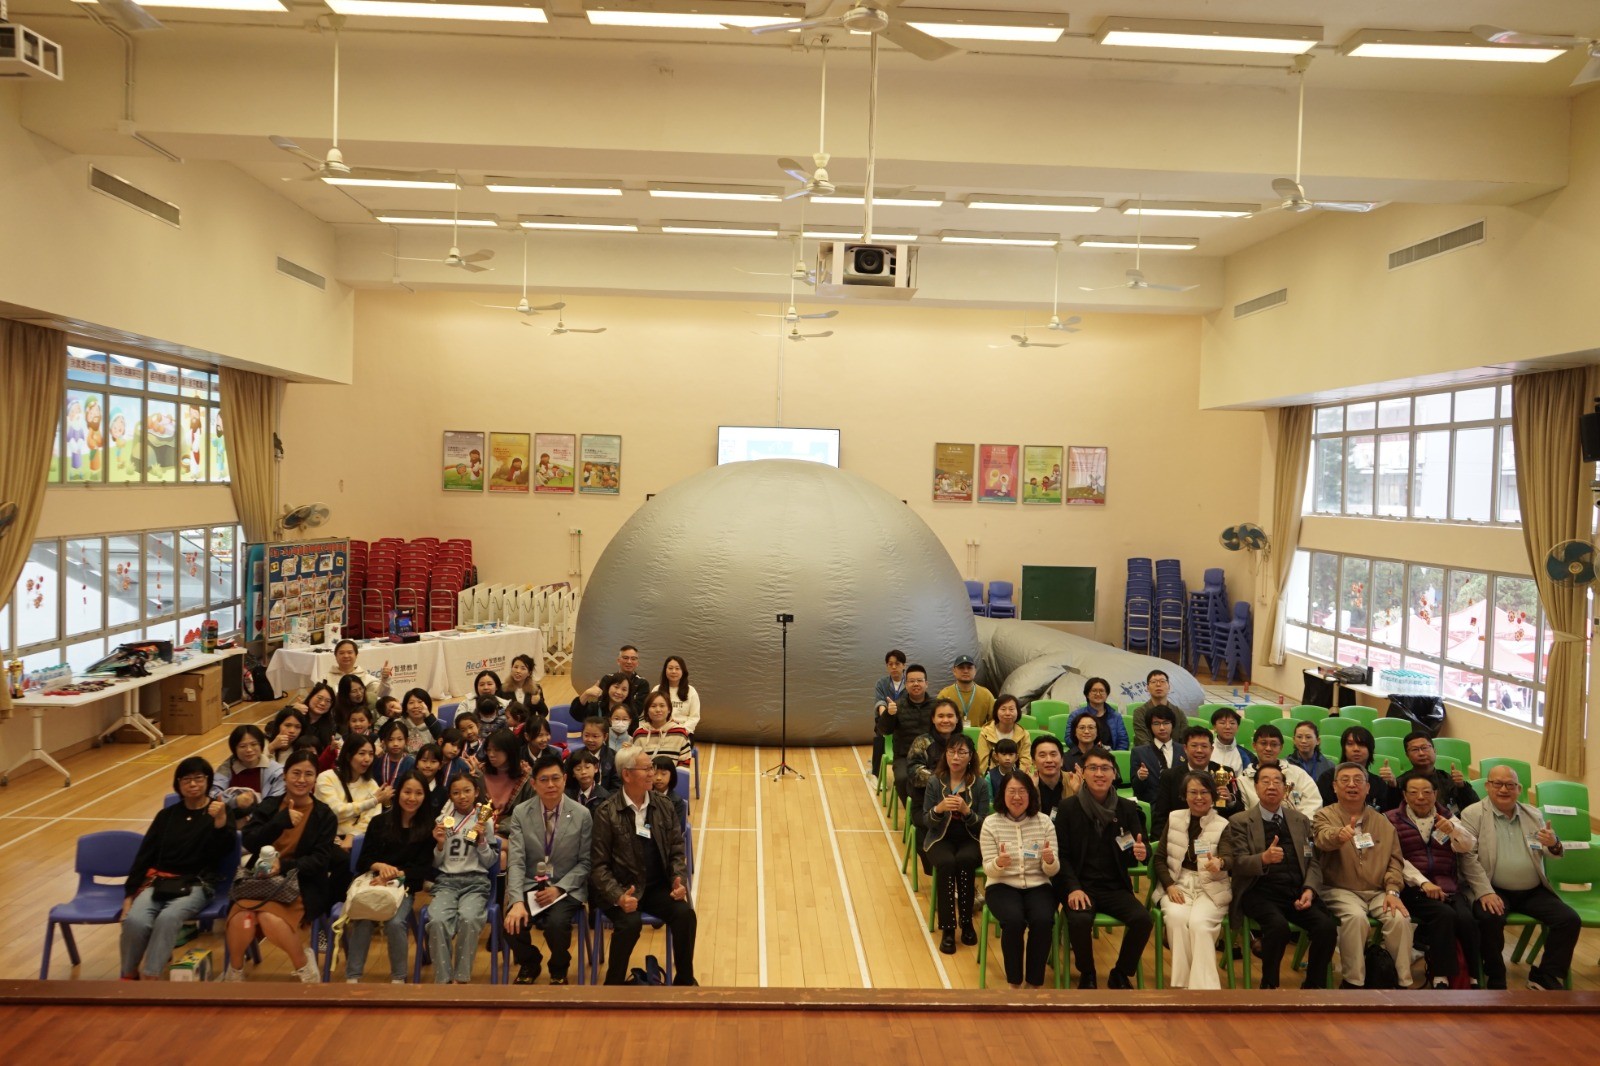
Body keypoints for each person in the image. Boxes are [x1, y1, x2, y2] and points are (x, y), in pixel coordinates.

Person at [221, 749, 340, 983]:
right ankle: (234, 972)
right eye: (296, 773)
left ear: (315, 779)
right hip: (259, 881)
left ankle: (304, 966)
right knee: (242, 919)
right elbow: (249, 840)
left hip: (302, 882)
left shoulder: (324, 815)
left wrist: (283, 866)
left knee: (269, 918)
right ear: (285, 775)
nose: (301, 779)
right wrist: (279, 822)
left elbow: (319, 860)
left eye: (308, 774)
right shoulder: (270, 806)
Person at [1459, 764, 1581, 990]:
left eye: (1510, 785)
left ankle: (1545, 976)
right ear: (1487, 786)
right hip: (1494, 887)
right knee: (1489, 917)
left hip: (1532, 890)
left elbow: (1550, 851)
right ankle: (1496, 975)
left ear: (1519, 789)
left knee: (1569, 919)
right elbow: (1468, 858)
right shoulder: (1472, 814)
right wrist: (1485, 892)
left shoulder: (1533, 814)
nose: (1504, 789)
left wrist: (1553, 843)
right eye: (1497, 784)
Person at [1220, 763, 1338, 989]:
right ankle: (1269, 986)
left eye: (1277, 781)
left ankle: (1314, 987)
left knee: (1326, 928)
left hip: (1296, 892)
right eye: (1265, 781)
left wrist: (1309, 889)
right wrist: (1263, 859)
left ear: (1285, 788)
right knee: (1278, 928)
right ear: (1256, 787)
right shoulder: (1240, 821)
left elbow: (1312, 861)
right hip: (1259, 891)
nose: (1271, 786)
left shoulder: (1300, 820)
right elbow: (1238, 863)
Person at [589, 743, 697, 985]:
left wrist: (678, 880)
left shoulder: (664, 805)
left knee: (685, 915)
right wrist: (618, 897)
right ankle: (613, 987)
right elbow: (598, 867)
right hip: (621, 889)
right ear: (627, 774)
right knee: (630, 924)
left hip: (656, 887)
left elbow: (676, 851)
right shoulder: (606, 812)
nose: (652, 774)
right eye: (646, 769)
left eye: (652, 768)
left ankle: (685, 982)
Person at [120, 756, 235, 980]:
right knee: (135, 919)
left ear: (208, 781)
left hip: (198, 884)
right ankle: (128, 973)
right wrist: (129, 894)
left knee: (168, 917)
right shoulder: (166, 816)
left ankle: (151, 974)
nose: (193, 784)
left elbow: (223, 852)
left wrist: (220, 822)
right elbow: (144, 856)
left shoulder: (219, 811)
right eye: (186, 780)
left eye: (198, 778)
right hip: (159, 882)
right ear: (178, 784)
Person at [1055, 746, 1152, 989]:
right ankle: (1087, 972)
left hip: (1114, 886)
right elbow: (1062, 856)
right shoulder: (1068, 808)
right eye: (1093, 768)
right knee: (1079, 921)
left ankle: (1120, 973)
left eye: (1105, 768)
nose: (1099, 774)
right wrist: (1073, 888)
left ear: (1114, 773)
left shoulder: (1127, 808)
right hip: (1081, 886)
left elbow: (1141, 846)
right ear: (1083, 773)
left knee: (1143, 919)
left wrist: (1142, 852)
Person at [1313, 762, 1413, 988]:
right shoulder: (1323, 816)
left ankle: (1402, 983)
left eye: (1358, 780)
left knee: (1400, 918)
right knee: (1356, 919)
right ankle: (1353, 982)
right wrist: (1339, 835)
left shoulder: (1383, 822)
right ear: (1334, 787)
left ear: (1368, 788)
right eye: (1345, 780)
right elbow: (1322, 839)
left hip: (1378, 891)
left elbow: (1395, 861)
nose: (1352, 785)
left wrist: (1392, 891)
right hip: (1339, 889)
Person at [504, 751, 593, 985]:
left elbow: (585, 862)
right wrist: (516, 901)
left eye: (555, 778)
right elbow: (516, 860)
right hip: (531, 883)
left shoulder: (582, 814)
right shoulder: (521, 813)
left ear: (565, 779)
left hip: (566, 885)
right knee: (512, 923)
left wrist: (559, 889)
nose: (551, 785)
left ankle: (559, 968)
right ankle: (530, 962)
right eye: (544, 780)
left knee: (557, 925)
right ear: (534, 784)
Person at [1387, 770, 1481, 989]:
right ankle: (1440, 975)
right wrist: (1423, 882)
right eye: (1414, 792)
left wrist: (1454, 830)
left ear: (1435, 794)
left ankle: (1472, 975)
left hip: (1447, 886)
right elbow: (1395, 858)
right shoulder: (1391, 819)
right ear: (1404, 795)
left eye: (1427, 792)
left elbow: (1469, 845)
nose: (1421, 797)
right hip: (1412, 889)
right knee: (1444, 915)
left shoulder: (1447, 816)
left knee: (1467, 919)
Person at [345, 770, 435, 983]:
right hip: (374, 882)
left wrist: (395, 874)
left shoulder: (428, 827)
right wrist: (381, 866)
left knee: (395, 923)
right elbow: (363, 861)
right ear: (398, 792)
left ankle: (398, 978)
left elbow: (423, 869)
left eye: (418, 793)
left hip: (403, 888)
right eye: (407, 792)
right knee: (363, 917)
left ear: (425, 796)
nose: (412, 798)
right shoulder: (379, 822)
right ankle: (352, 977)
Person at [1152, 772, 1232, 989]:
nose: (1199, 797)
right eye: (1193, 792)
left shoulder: (1223, 824)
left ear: (1213, 795)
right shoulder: (1174, 818)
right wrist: (1169, 885)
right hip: (1178, 883)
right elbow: (1159, 858)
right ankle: (1182, 985)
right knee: (1176, 919)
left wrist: (1220, 862)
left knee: (1199, 925)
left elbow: (1229, 857)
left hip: (1211, 885)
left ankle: (1204, 989)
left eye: (1204, 792)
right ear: (1184, 795)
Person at [980, 771, 1059, 988]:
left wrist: (1050, 861)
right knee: (1013, 921)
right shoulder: (990, 824)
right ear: (1002, 795)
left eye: (1022, 791)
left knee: (1043, 920)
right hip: (1001, 885)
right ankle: (1014, 983)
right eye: (1011, 791)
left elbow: (1053, 871)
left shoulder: (1044, 822)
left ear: (1031, 795)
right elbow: (988, 869)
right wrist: (999, 863)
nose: (1017, 797)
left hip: (1038, 885)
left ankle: (1034, 983)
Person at [922, 734, 991, 953]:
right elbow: (926, 821)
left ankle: (967, 922)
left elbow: (984, 825)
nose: (956, 757)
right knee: (946, 864)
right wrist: (939, 809)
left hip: (970, 838)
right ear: (946, 755)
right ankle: (948, 928)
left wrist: (967, 812)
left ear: (970, 757)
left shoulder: (980, 784)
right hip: (940, 838)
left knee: (965, 860)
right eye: (951, 752)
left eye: (962, 752)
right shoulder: (935, 781)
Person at [428, 771, 497, 983]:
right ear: (450, 795)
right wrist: (440, 844)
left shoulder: (484, 820)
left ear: (476, 792)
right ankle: (443, 979)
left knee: (469, 919)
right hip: (446, 882)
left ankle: (461, 978)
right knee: (437, 920)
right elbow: (436, 864)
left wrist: (482, 841)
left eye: (467, 791)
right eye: (456, 792)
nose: (462, 796)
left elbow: (490, 861)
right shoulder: (442, 822)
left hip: (476, 883)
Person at [1151, 726, 1244, 839]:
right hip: (1181, 836)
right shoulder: (1170, 776)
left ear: (1212, 749)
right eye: (1194, 746)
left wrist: (1230, 801)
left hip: (1219, 837)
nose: (1199, 750)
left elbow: (1240, 811)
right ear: (1185, 748)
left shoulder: (1225, 772)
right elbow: (1160, 816)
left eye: (1204, 746)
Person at [315, 733, 390, 865]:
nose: (367, 759)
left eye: (371, 754)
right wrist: (372, 801)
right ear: (348, 755)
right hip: (326, 838)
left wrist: (352, 836)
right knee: (342, 860)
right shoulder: (326, 778)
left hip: (358, 839)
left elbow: (370, 818)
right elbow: (335, 811)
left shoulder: (371, 784)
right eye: (361, 753)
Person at [878, 664, 937, 808]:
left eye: (919, 680)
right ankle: (912, 812)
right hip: (904, 757)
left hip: (933, 755)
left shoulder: (937, 706)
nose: (916, 684)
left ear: (926, 684)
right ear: (906, 685)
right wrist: (889, 714)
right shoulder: (897, 706)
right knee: (902, 779)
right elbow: (884, 730)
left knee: (943, 777)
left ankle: (932, 811)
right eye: (911, 681)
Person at [1235, 725, 1320, 819]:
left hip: (1297, 826)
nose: (1268, 748)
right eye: (1263, 743)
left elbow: (1313, 803)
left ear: (1281, 747)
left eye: (1274, 744)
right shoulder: (1243, 780)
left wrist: (1298, 825)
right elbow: (1245, 814)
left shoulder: (1297, 773)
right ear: (1254, 746)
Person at [1315, 726, 1397, 812]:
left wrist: (1392, 785)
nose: (1356, 749)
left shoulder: (1378, 783)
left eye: (1361, 744)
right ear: (1344, 748)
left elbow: (1389, 812)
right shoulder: (1327, 778)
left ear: (1370, 749)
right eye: (1350, 744)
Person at [212, 724, 284, 822]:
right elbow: (213, 794)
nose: (249, 750)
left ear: (261, 746)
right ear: (234, 749)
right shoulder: (226, 768)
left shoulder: (277, 771)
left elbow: (275, 802)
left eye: (254, 744)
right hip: (231, 822)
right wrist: (235, 801)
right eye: (242, 746)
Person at [1401, 732, 1479, 815]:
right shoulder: (1401, 783)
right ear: (1407, 755)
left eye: (1425, 748)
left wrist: (1462, 787)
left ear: (1434, 751)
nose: (1421, 753)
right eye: (1415, 749)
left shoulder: (1447, 778)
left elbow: (1474, 809)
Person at [482, 729, 534, 831]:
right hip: (481, 827)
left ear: (510, 751)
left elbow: (530, 813)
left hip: (511, 830)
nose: (491, 754)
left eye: (496, 750)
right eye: (488, 750)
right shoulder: (481, 772)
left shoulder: (526, 777)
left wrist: (502, 827)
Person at [322, 638, 391, 710]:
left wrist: (385, 679)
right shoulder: (327, 678)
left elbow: (380, 695)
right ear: (335, 656)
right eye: (341, 653)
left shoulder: (366, 677)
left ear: (356, 655)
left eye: (350, 652)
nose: (346, 656)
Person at [1129, 705, 1177, 806]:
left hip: (1179, 805)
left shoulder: (1184, 750)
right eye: (1156, 724)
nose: (1162, 728)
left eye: (1166, 723)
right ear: (1149, 727)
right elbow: (1136, 788)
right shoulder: (1139, 752)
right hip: (1153, 806)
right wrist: (1140, 777)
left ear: (1173, 725)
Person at [870, 649, 907, 779]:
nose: (894, 667)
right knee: (880, 733)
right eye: (890, 664)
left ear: (904, 665)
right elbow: (880, 702)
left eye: (897, 663)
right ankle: (875, 774)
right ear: (887, 666)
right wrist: (886, 716)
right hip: (887, 718)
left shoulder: (910, 682)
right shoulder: (881, 683)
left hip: (904, 720)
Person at [1130, 669, 1188, 748]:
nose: (1158, 684)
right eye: (1153, 682)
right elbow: (1143, 741)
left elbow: (1184, 741)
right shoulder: (1140, 712)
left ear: (1169, 687)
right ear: (1147, 688)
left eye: (1162, 681)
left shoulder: (1178, 712)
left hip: (1175, 753)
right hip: (1148, 753)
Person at [1067, 677, 1128, 750]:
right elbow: (1069, 739)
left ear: (1107, 694)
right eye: (1094, 691)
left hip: (1111, 755)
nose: (1098, 694)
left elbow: (1123, 741)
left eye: (1101, 691)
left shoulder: (1116, 716)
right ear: (1087, 694)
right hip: (1084, 754)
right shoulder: (1075, 715)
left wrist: (1115, 755)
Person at [1063, 714, 1122, 788]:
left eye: (1091, 727)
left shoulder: (1106, 756)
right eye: (1082, 728)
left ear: (1097, 732)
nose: (1086, 731)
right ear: (1075, 732)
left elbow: (1116, 781)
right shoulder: (1065, 758)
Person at [978, 694, 1032, 775]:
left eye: (1011, 709)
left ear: (1018, 712)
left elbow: (1025, 761)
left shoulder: (1024, 734)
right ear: (996, 711)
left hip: (1016, 776)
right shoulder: (985, 733)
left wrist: (1016, 778)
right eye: (1003, 709)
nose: (1007, 713)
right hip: (992, 776)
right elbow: (983, 762)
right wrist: (996, 776)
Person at [633, 691, 692, 766]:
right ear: (647, 710)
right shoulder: (639, 734)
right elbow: (635, 763)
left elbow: (685, 762)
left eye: (662, 706)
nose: (658, 710)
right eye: (653, 706)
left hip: (674, 774)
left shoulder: (680, 733)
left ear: (669, 709)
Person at [938, 654, 995, 728]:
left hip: (979, 735)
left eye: (969, 668)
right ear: (954, 671)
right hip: (952, 734)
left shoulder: (986, 695)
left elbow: (994, 721)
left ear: (975, 671)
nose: (965, 671)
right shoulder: (945, 694)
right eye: (961, 668)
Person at [317, 706, 373, 773]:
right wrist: (331, 749)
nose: (357, 724)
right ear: (348, 723)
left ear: (370, 722)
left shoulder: (374, 738)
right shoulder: (339, 737)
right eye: (354, 721)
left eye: (361, 720)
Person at [655, 655, 700, 737]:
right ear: (665, 670)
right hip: (659, 731)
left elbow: (694, 717)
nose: (673, 671)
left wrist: (681, 730)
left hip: (683, 733)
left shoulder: (691, 691)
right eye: (670, 668)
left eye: (677, 668)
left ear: (683, 671)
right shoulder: (657, 689)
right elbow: (650, 712)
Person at [1031, 735, 1071, 820]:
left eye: (1053, 754)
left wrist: (1075, 792)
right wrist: (1031, 790)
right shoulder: (1026, 784)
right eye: (1042, 755)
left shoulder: (1075, 782)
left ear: (1062, 760)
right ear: (1034, 761)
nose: (1049, 760)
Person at [391, 688, 443, 753]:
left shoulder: (433, 725)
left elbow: (441, 741)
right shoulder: (398, 724)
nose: (416, 706)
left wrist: (428, 715)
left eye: (420, 702)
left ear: (427, 706)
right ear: (405, 707)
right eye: (411, 703)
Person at [1208, 707, 1255, 773]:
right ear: (1214, 727)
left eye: (1232, 723)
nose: (1228, 727)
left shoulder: (1247, 756)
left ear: (1237, 727)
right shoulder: (1205, 751)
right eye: (1222, 723)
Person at [297, 681, 338, 754]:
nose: (322, 703)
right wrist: (293, 710)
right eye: (319, 698)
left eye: (328, 701)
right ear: (310, 697)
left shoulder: (331, 725)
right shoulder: (297, 715)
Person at [578, 716, 618, 791]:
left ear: (605, 737)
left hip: (608, 797)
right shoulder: (575, 756)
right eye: (586, 735)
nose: (590, 740)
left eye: (595, 736)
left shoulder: (614, 757)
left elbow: (617, 787)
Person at [373, 720, 414, 792]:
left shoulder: (411, 763)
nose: (395, 743)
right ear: (385, 741)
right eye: (390, 739)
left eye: (400, 739)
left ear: (406, 741)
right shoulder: (378, 761)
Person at [504, 654, 549, 719]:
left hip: (529, 724)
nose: (518, 671)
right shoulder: (503, 689)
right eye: (515, 667)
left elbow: (544, 713)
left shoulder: (535, 690)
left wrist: (539, 702)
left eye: (523, 668)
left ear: (529, 673)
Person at [651, 756, 688, 824]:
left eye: (663, 774)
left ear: (671, 776)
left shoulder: (677, 802)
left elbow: (675, 827)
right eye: (655, 774)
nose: (658, 778)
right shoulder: (644, 796)